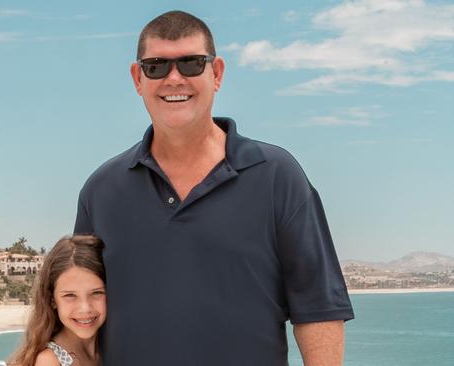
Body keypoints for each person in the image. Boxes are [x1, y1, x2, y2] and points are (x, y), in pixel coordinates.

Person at [74, 10, 354, 366]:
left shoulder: (277, 176)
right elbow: (79, 313)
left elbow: (319, 310)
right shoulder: (101, 191)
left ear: (217, 73)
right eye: (156, 66)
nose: (174, 79)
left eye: (191, 64)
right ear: (137, 78)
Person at [8, 235, 106, 366]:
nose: (85, 308)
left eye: (96, 293)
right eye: (70, 295)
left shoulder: (109, 349)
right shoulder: (50, 361)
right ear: (52, 299)